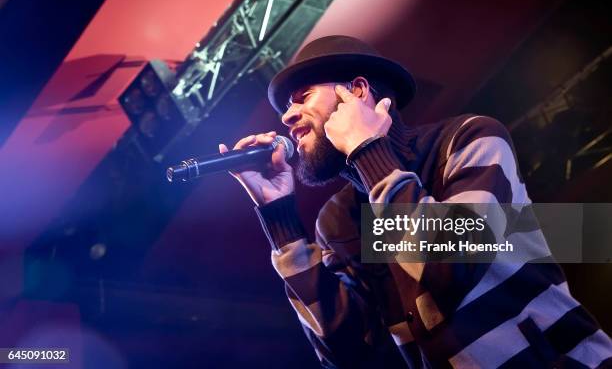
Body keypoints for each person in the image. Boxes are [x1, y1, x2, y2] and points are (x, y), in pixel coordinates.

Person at [219, 36, 612, 368]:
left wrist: (367, 150)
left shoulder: (465, 140)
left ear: (356, 92)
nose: (287, 117)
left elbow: (451, 266)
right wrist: (279, 215)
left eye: (302, 97)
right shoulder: (339, 221)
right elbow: (349, 353)